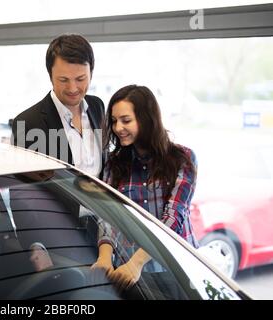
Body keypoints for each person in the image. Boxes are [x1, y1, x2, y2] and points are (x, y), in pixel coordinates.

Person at [91, 84, 199, 291]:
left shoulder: (183, 159)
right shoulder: (115, 163)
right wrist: (104, 257)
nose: (117, 128)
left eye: (126, 120)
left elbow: (173, 218)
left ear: (146, 119)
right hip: (132, 273)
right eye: (114, 121)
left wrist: (137, 263)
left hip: (177, 268)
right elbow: (108, 215)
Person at [12, 33, 105, 177]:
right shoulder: (28, 123)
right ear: (50, 76)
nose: (73, 88)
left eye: (80, 79)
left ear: (91, 73)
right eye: (63, 80)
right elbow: (24, 191)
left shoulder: (97, 106)